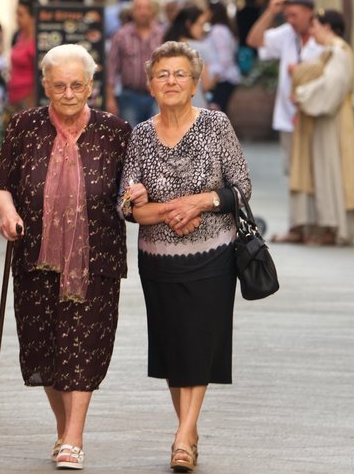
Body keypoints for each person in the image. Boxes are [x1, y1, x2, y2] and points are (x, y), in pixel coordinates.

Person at [0, 44, 135, 470]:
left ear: (91, 85)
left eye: (77, 85)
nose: (69, 93)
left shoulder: (115, 131)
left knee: (85, 345)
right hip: (34, 256)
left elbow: (130, 189)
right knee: (45, 349)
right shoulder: (24, 126)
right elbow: (1, 184)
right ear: (45, 85)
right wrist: (8, 213)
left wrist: (136, 197)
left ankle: (74, 437)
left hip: (97, 258)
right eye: (60, 85)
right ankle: (62, 429)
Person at [118, 40, 251, 474]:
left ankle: (181, 436)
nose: (171, 81)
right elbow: (127, 205)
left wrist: (202, 202)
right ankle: (188, 431)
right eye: (162, 75)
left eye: (180, 75)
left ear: (195, 84)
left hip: (214, 254)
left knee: (200, 342)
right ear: (150, 85)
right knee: (176, 348)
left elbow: (241, 188)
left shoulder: (216, 125)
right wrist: (168, 210)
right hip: (157, 259)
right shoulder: (139, 134)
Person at [245, 0, 323, 242]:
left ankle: (320, 226)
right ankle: (298, 226)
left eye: (294, 15)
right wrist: (269, 12)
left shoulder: (322, 39)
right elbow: (254, 40)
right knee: (295, 175)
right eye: (287, 15)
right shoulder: (287, 34)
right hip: (289, 118)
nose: (290, 20)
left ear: (310, 13)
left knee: (318, 173)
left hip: (315, 117)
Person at [286, 10, 354, 245]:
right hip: (324, 120)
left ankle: (332, 226)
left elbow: (332, 86)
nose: (312, 32)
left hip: (333, 123)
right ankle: (324, 225)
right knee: (321, 171)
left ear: (328, 27)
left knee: (331, 171)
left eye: (316, 27)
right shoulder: (331, 52)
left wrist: (302, 94)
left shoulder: (339, 52)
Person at [105, 0, 165, 126]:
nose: (143, 12)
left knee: (159, 138)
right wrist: (110, 99)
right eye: (139, 8)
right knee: (131, 137)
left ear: (153, 11)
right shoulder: (120, 35)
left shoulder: (163, 34)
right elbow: (111, 69)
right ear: (132, 11)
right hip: (129, 97)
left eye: (147, 8)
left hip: (158, 96)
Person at [162, 4, 216, 109]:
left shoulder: (165, 46)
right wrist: (217, 74)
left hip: (166, 107)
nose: (203, 29)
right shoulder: (201, 49)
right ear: (189, 24)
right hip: (194, 107)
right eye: (200, 25)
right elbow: (207, 85)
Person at [205, 0, 242, 114]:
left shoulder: (218, 31)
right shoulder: (223, 29)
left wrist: (214, 78)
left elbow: (224, 57)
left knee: (217, 116)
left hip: (222, 79)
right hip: (223, 77)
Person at [6, 0, 40, 115]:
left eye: (21, 15)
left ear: (32, 17)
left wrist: (31, 101)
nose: (17, 18)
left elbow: (41, 74)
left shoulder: (37, 41)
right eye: (17, 14)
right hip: (14, 97)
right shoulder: (20, 36)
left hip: (27, 101)